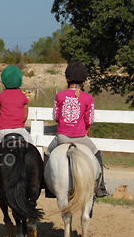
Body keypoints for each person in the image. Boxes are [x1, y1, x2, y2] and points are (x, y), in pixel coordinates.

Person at [44, 61, 109, 198]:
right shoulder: (88, 98)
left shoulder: (60, 96)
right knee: (97, 154)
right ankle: (101, 186)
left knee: (48, 154)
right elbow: (89, 120)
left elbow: (55, 116)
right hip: (81, 138)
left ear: (67, 79)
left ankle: (48, 186)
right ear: (84, 80)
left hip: (61, 137)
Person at [0, 65, 34, 184]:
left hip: (2, 130)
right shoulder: (23, 97)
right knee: (33, 149)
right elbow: (25, 115)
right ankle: (38, 175)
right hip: (20, 130)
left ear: (4, 80)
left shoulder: (0, 97)